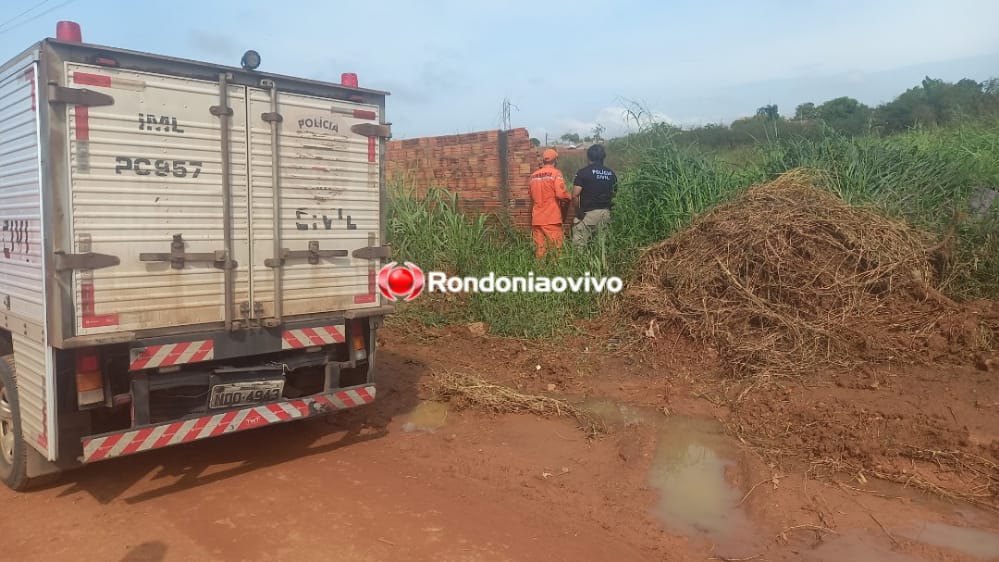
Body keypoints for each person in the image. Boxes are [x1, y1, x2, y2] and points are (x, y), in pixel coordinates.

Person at [571, 144, 617, 246]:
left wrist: (578, 212)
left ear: (589, 157)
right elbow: (614, 194)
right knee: (601, 247)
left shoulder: (583, 172)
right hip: (606, 214)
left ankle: (581, 262)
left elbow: (575, 195)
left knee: (579, 246)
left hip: (588, 215)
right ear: (603, 157)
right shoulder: (611, 174)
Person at [529, 148, 571, 258]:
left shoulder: (533, 175)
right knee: (556, 249)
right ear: (555, 160)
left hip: (537, 218)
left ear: (544, 160)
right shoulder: (556, 173)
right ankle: (556, 272)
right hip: (551, 217)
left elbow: (531, 195)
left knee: (540, 249)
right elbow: (560, 195)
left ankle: (540, 271)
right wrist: (569, 196)